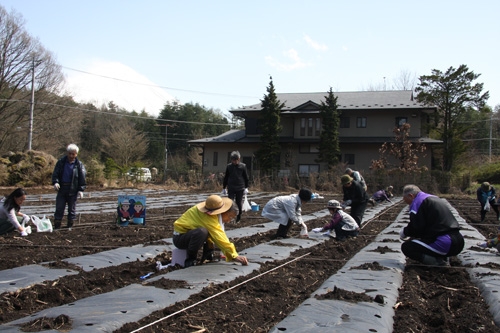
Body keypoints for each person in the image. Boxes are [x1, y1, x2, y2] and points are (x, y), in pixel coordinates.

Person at [173, 194, 249, 268]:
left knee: (206, 232)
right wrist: (234, 255)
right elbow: (219, 237)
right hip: (179, 238)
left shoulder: (210, 212)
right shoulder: (207, 217)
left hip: (187, 234)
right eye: (230, 217)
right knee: (202, 232)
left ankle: (208, 255)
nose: (229, 220)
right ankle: (190, 260)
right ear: (223, 212)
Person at [400, 184, 464, 267]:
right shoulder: (433, 198)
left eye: (406, 200)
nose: (407, 203)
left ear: (411, 196)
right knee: (427, 238)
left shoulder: (417, 202)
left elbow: (416, 227)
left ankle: (439, 264)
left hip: (445, 243)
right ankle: (444, 258)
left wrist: (404, 232)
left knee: (407, 247)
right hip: (459, 240)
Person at [52, 144, 87, 230]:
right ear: (67, 153)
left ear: (76, 154)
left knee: (72, 209)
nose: (71, 156)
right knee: (59, 208)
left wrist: (81, 189)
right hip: (62, 188)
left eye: (73, 154)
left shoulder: (79, 165)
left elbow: (82, 177)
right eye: (70, 153)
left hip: (73, 189)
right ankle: (57, 226)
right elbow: (55, 174)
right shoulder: (61, 162)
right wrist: (56, 182)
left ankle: (70, 226)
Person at [222, 151, 249, 222]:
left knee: (238, 202)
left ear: (239, 159)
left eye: (236, 160)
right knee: (230, 202)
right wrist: (224, 187)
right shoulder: (229, 167)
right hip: (231, 186)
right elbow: (226, 177)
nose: (234, 162)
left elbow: (246, 177)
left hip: (240, 187)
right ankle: (230, 216)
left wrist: (246, 187)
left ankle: (239, 216)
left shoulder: (243, 166)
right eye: (233, 160)